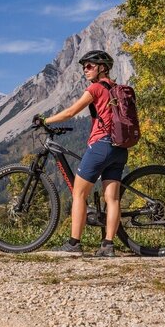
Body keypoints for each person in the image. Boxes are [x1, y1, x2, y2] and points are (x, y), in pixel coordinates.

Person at [32, 49, 127, 257]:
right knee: (112, 198)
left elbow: (70, 112)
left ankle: (74, 243)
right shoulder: (117, 89)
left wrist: (45, 120)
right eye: (84, 66)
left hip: (101, 145)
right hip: (119, 149)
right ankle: (108, 246)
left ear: (102, 68)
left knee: (78, 193)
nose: (86, 69)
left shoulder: (96, 88)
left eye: (90, 65)